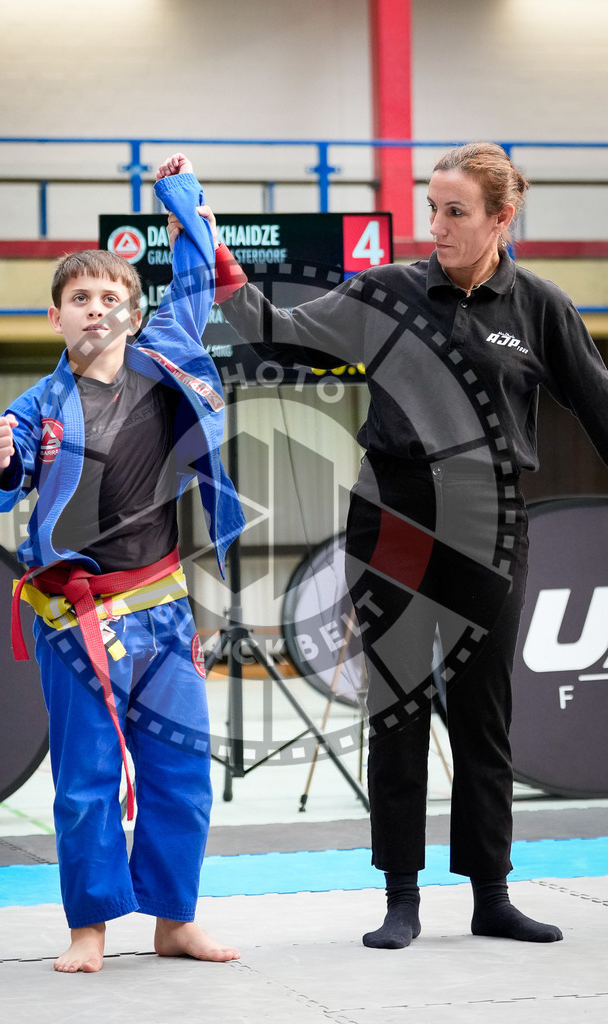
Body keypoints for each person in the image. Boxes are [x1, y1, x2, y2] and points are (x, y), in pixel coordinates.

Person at [171, 142, 608, 948]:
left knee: (484, 710)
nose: (434, 225)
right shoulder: (389, 290)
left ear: (502, 218)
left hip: (491, 516)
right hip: (394, 510)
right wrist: (217, 253)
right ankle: (399, 897)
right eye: (431, 207)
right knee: (396, 700)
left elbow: (600, 407)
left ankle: (492, 894)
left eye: (455, 212)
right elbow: (282, 331)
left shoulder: (540, 306)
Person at [0, 154, 245, 973]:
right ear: (56, 318)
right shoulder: (37, 404)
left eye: (110, 297)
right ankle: (90, 927)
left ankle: (174, 918)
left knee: (182, 772)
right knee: (85, 782)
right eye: (80, 299)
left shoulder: (166, 361)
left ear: (134, 310)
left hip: (160, 608)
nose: (96, 308)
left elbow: (196, 275)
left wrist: (180, 196)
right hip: (74, 620)